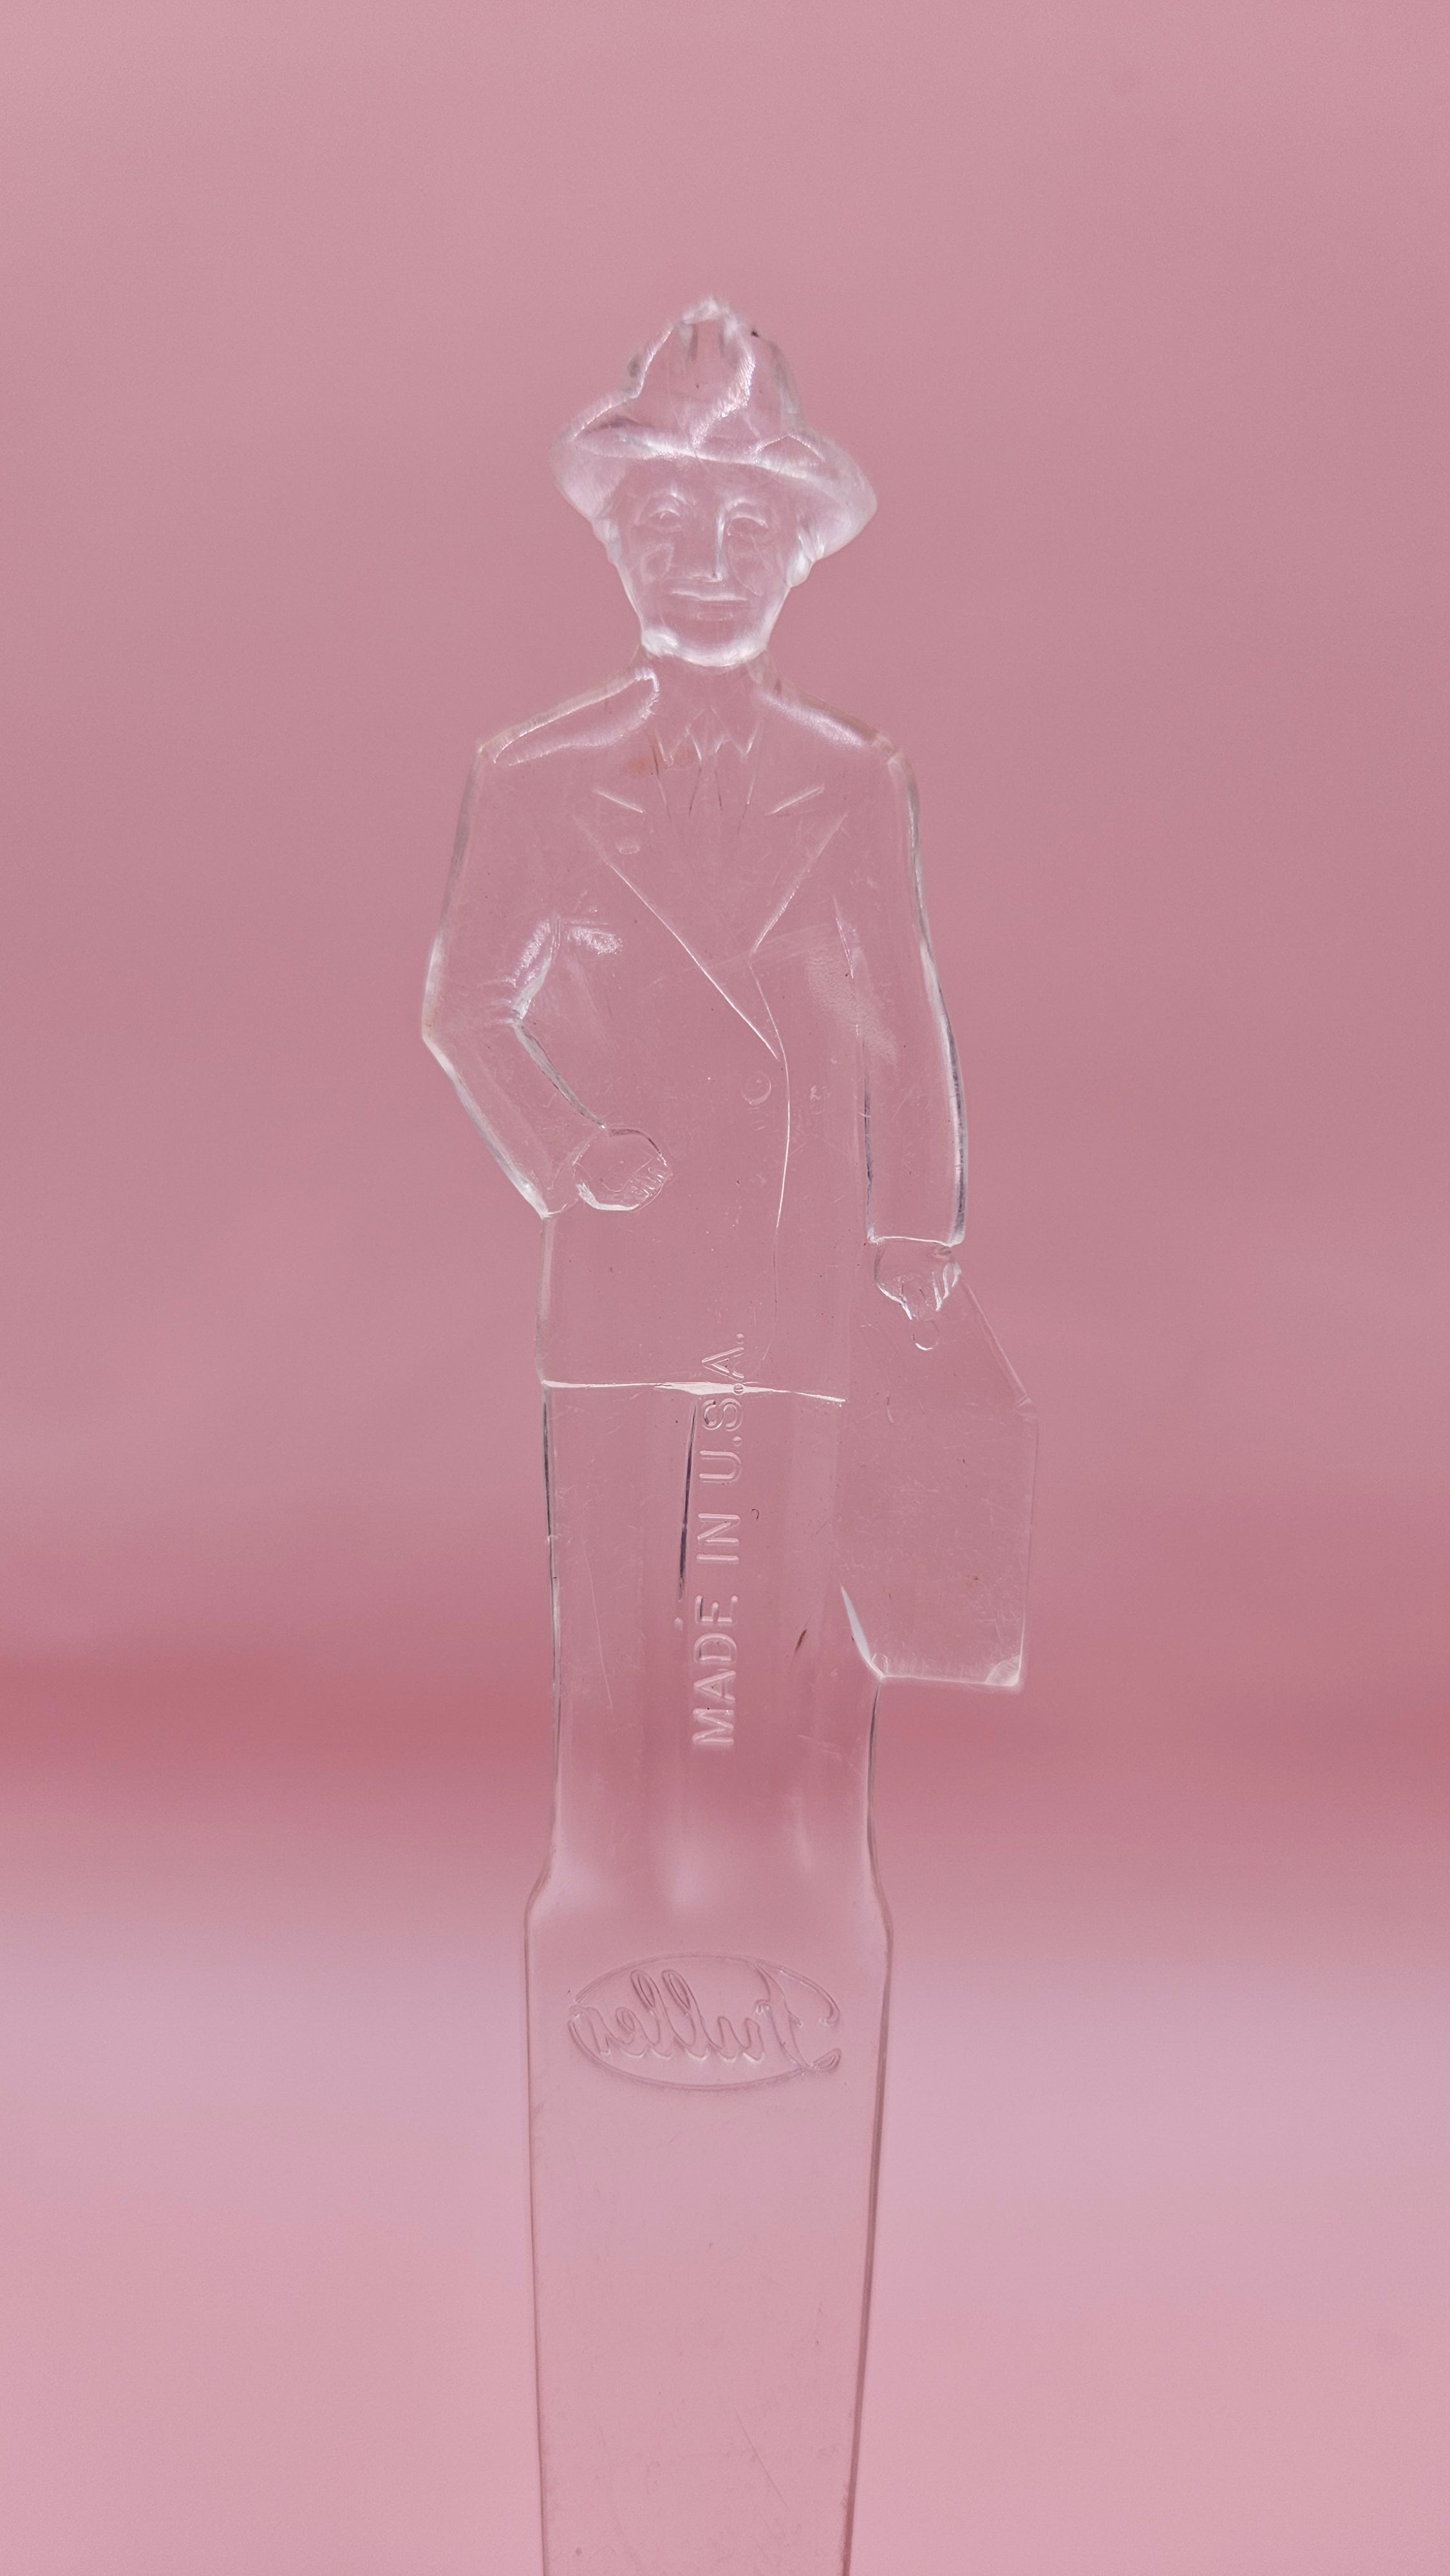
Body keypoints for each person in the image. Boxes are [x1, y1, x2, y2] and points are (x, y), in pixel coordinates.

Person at [424, 299, 974, 2576]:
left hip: (795, 1270)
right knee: (621, 1629)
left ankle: (763, 1919)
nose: (707, 554)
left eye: (743, 522)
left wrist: (923, 1226)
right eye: (669, 519)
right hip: (631, 1277)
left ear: (798, 551)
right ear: (621, 543)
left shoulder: (853, 777)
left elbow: (901, 1006)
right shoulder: (538, 774)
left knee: (777, 1610)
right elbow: (466, 1004)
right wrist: (571, 1156)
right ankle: (632, 1908)